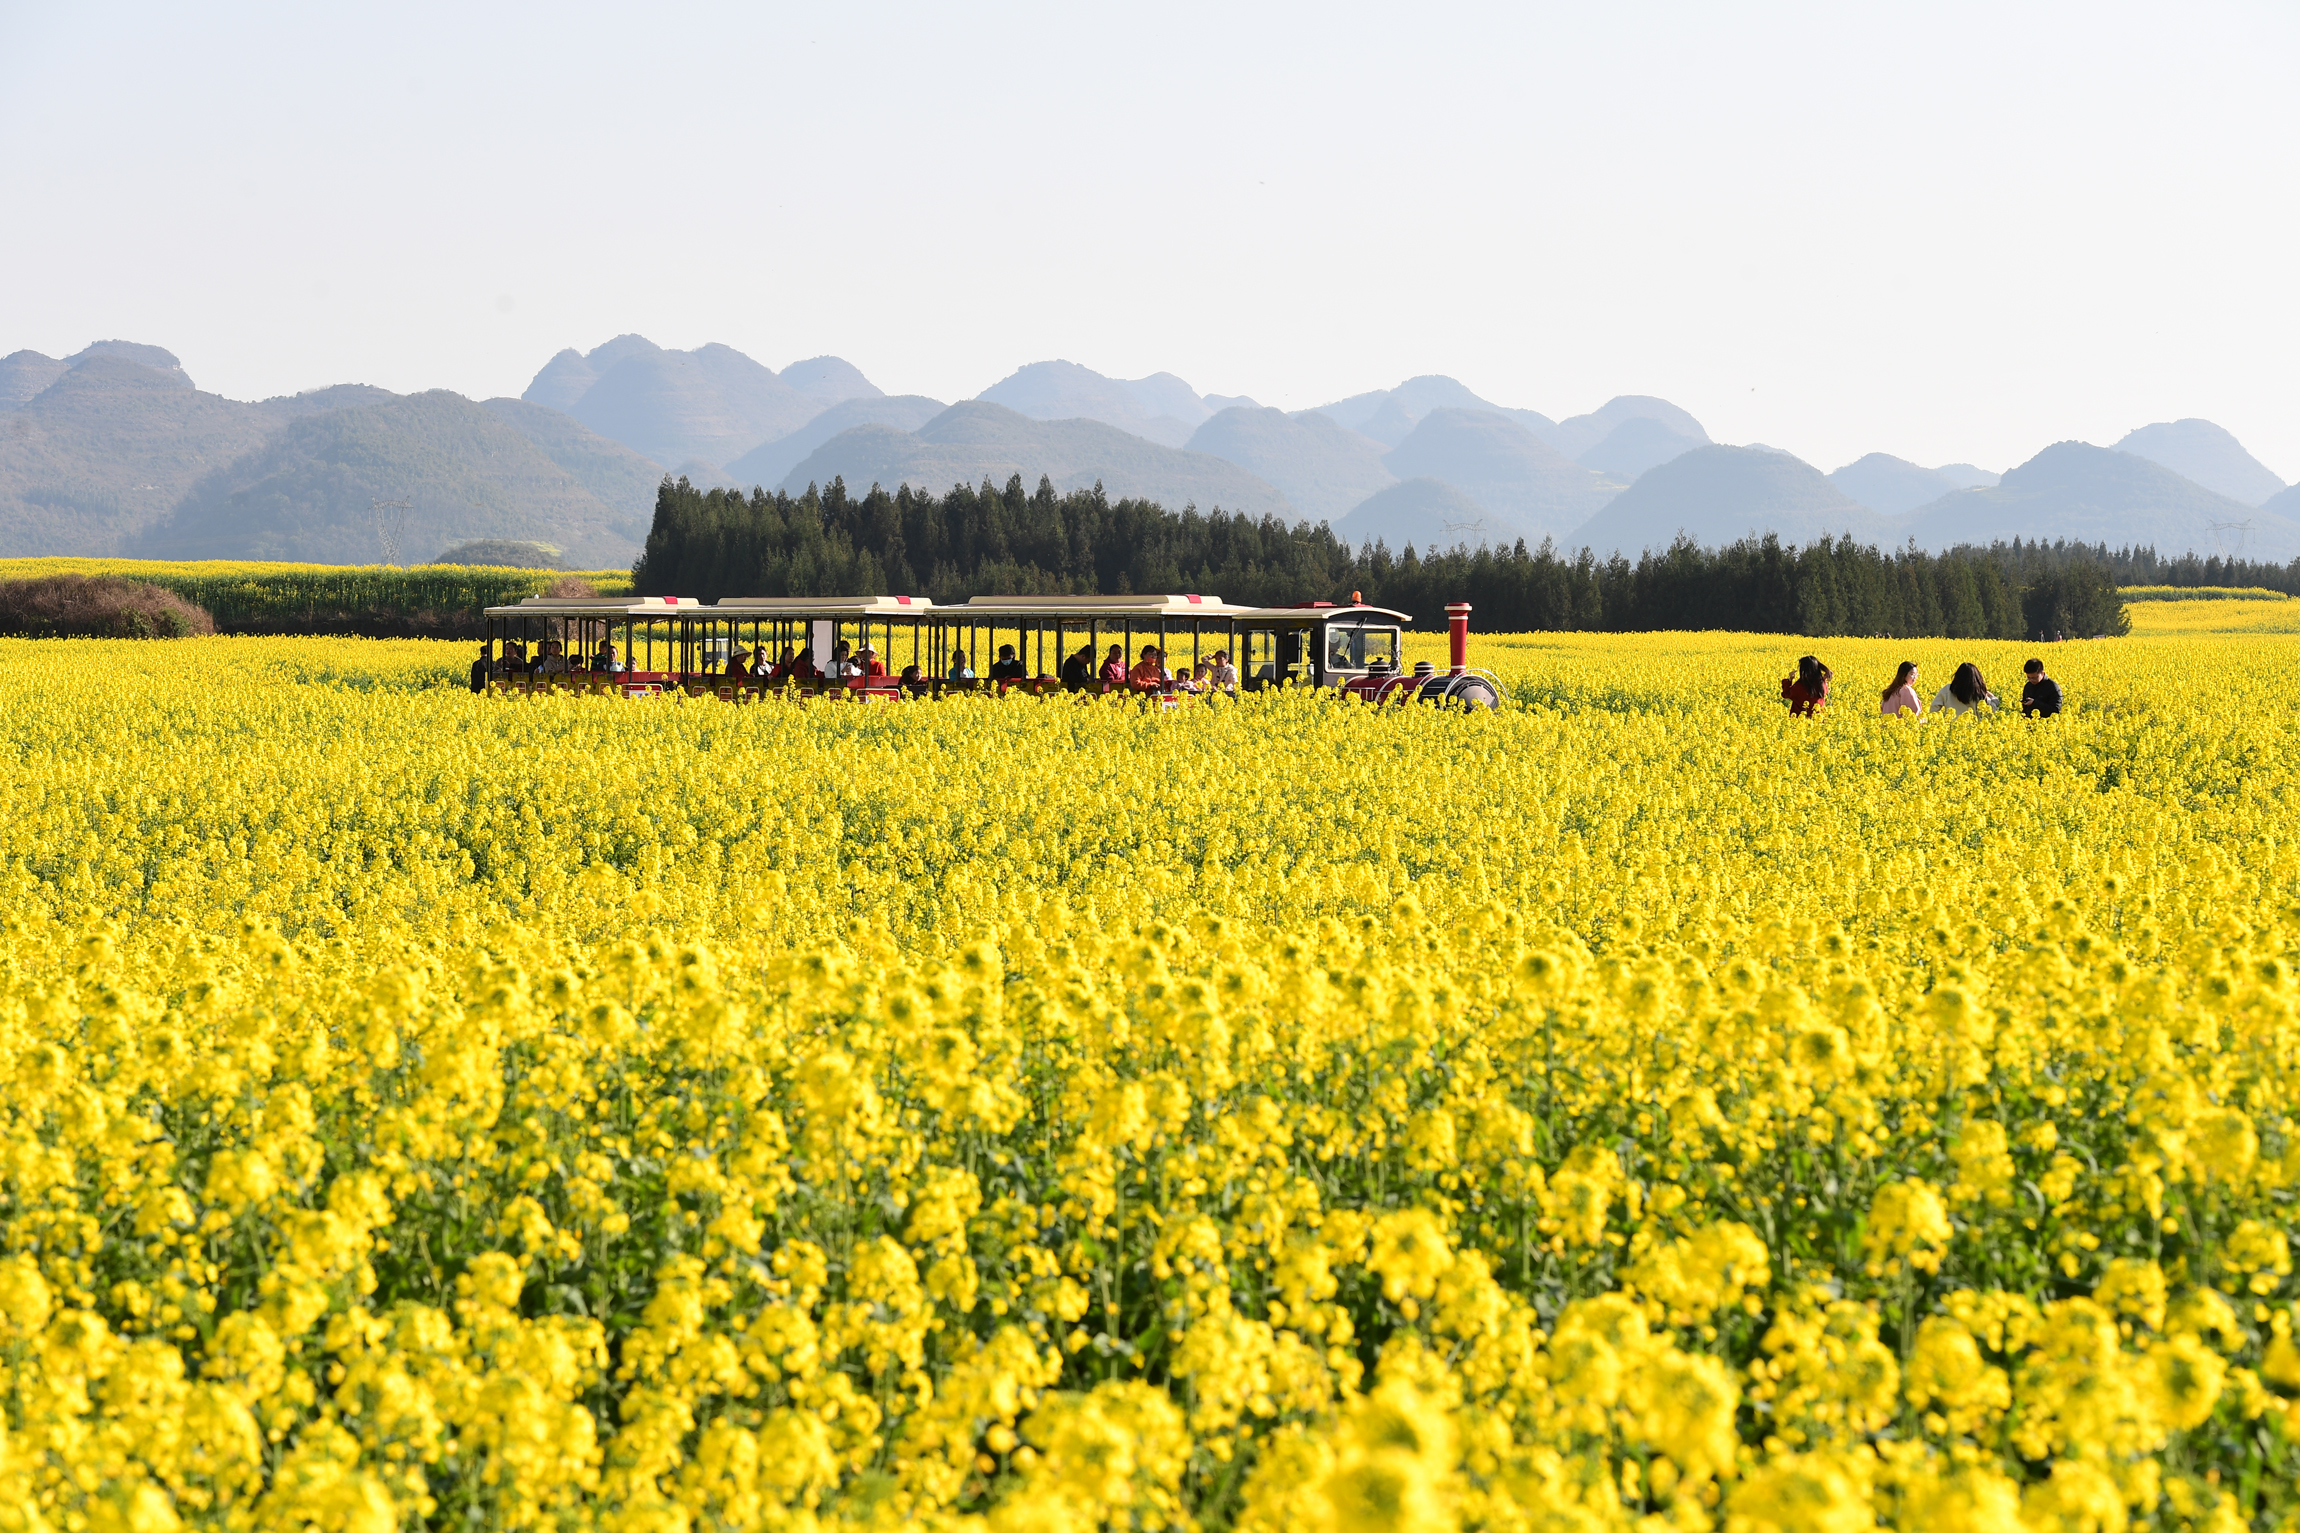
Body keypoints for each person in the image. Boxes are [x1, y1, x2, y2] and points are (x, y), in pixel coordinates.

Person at [1934, 661, 1999, 716]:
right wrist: (1990, 696)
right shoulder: (1978, 692)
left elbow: (1934, 707)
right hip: (1973, 728)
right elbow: (1991, 710)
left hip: (1951, 727)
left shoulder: (1948, 689)